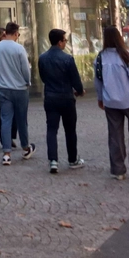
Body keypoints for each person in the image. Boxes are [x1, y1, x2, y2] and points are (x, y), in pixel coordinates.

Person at [95, 20, 129, 180]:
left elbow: (98, 81)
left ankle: (118, 170)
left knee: (115, 135)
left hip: (110, 101)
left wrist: (100, 98)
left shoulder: (100, 58)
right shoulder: (125, 56)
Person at [38, 28, 86, 174]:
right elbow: (75, 80)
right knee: (70, 129)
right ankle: (72, 159)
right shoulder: (68, 58)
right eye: (65, 40)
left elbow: (43, 77)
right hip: (66, 97)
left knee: (52, 129)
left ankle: (53, 160)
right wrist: (79, 90)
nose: (65, 43)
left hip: (51, 97)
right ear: (59, 42)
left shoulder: (42, 58)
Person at [0, 22, 35, 165]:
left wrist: (2, 78)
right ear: (16, 33)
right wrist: (27, 81)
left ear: (6, 32)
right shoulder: (19, 48)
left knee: (6, 120)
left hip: (3, 88)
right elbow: (25, 69)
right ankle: (25, 147)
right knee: (22, 119)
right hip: (20, 89)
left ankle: (6, 153)